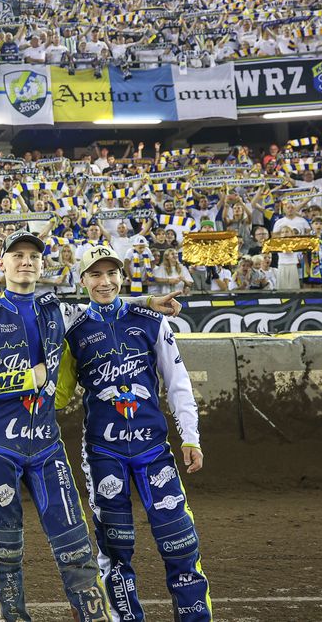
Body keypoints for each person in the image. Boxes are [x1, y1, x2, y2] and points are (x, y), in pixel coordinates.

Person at [0, 230, 181, 622]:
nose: (26, 262)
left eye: (33, 256)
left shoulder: (54, 309)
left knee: (75, 542)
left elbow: (101, 302)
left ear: (42, 264)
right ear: (1, 263)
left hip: (46, 444)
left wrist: (146, 302)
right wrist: (30, 378)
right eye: (17, 255)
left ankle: (93, 616)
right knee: (5, 548)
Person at [55, 245, 211, 621]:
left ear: (122, 277)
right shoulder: (73, 332)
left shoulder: (153, 322)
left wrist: (190, 436)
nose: (104, 282)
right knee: (114, 549)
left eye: (111, 273)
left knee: (180, 543)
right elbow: (58, 396)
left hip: (154, 450)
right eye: (95, 274)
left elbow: (178, 382)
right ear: (82, 280)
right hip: (102, 454)